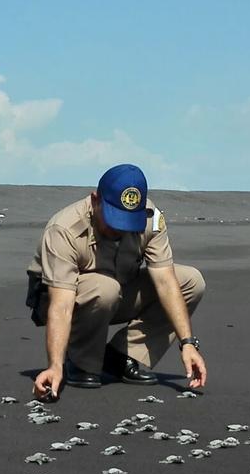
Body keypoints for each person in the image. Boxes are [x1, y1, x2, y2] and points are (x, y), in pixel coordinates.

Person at [27, 164, 208, 401]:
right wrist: (55, 366)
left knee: (191, 281)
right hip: (62, 300)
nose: (119, 229)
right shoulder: (63, 228)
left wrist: (187, 343)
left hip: (118, 289)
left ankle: (122, 356)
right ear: (95, 200)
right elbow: (60, 304)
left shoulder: (151, 218)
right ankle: (80, 363)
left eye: (128, 221)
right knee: (104, 288)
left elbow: (165, 281)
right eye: (114, 219)